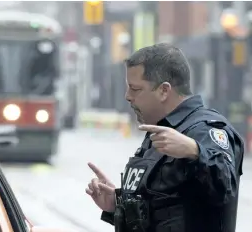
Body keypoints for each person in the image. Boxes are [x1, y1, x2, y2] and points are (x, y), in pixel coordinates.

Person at [85, 43, 244, 232]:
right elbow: (161, 208)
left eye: (135, 89)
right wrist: (118, 203)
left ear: (164, 90)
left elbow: (225, 185)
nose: (128, 96)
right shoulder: (160, 131)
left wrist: (195, 151)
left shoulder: (204, 129)